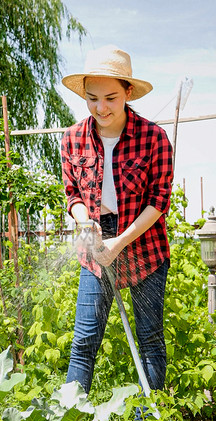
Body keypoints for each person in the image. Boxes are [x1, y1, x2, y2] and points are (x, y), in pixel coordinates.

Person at [60, 45, 174, 394]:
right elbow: (72, 195)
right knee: (84, 341)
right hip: (95, 243)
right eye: (92, 98)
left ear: (127, 91)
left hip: (142, 241)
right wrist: (84, 223)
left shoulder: (154, 138)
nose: (101, 107)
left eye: (110, 97)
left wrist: (120, 241)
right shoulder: (72, 138)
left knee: (150, 340)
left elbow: (158, 203)